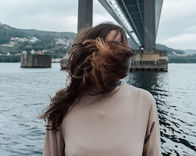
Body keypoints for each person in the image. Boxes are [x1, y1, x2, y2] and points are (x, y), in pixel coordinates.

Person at [40, 22, 161, 156]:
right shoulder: (63, 105)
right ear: (89, 54)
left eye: (121, 45)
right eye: (111, 46)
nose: (118, 53)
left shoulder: (144, 102)